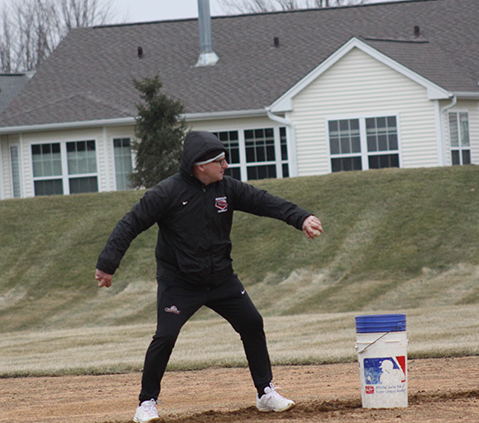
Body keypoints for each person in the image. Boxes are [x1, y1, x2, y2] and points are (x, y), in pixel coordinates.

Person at [96, 130, 324, 423]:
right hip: (179, 282)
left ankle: (265, 393)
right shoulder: (166, 193)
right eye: (220, 161)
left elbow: (265, 202)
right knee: (165, 336)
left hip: (221, 279)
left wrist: (301, 217)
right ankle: (146, 403)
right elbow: (130, 224)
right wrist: (107, 264)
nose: (226, 165)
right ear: (200, 165)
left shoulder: (226, 189)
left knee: (252, 323)